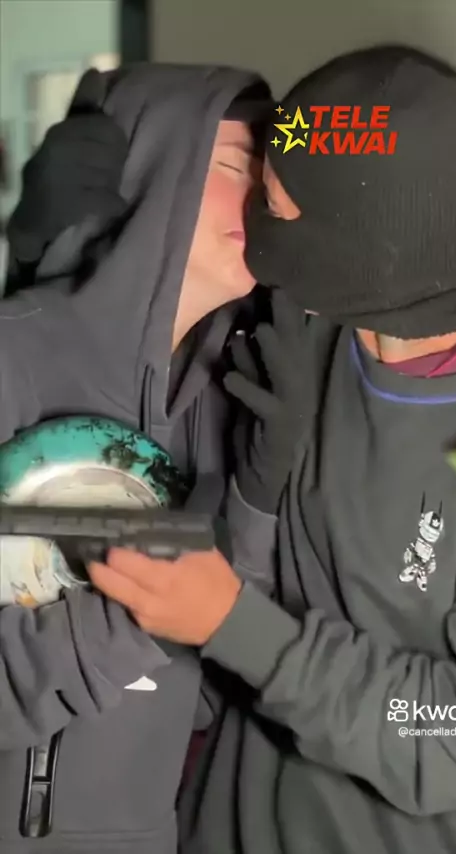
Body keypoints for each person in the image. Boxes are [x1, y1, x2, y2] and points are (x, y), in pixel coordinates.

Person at [88, 46, 456, 854]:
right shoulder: (298, 335)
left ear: (364, 244)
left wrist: (240, 627)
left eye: (271, 201)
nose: (251, 218)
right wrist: (258, 498)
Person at [0, 62, 281, 854]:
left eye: (269, 175)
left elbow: (213, 687)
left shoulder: (234, 395)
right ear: (155, 169)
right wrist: (152, 610)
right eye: (234, 165)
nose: (261, 198)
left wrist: (255, 511)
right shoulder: (13, 358)